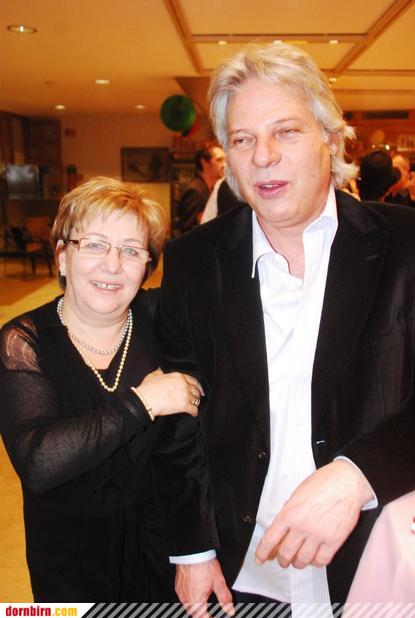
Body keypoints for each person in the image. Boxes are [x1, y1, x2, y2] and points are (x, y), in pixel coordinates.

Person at [154, 41, 415, 616]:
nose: (263, 157)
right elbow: (178, 419)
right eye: (243, 139)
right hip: (244, 572)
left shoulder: (405, 246)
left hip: (377, 568)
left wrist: (358, 474)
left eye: (286, 132)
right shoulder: (194, 263)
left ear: (330, 138)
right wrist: (193, 548)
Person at [0, 177, 203, 602]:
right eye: (94, 245)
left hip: (163, 558)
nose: (113, 265)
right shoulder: (24, 341)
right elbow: (39, 462)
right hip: (71, 566)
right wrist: (142, 403)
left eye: (131, 250)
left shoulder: (163, 321)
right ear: (62, 256)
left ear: (146, 267)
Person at [178, 143, 225, 233]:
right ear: (204, 162)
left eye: (225, 160)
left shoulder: (211, 188)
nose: (224, 165)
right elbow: (189, 231)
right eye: (219, 160)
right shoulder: (195, 191)